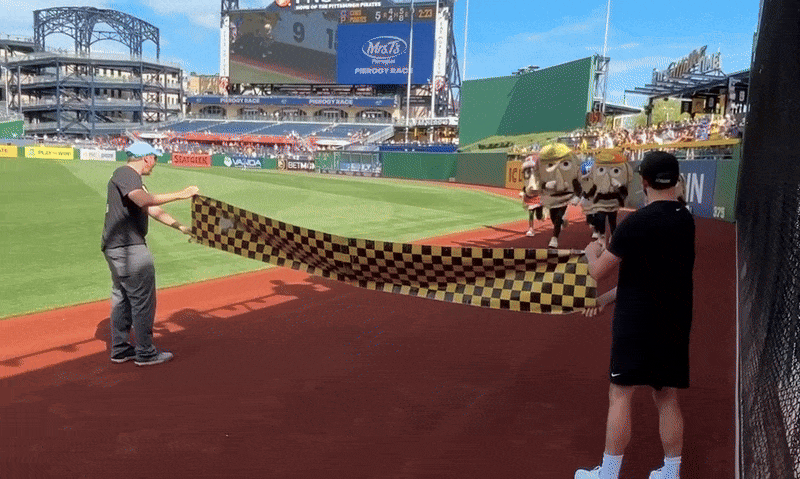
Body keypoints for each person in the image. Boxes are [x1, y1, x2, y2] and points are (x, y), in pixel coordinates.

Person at [575, 151, 695, 479]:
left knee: (621, 395)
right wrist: (606, 300)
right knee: (667, 396)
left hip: (636, 323)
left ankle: (609, 474)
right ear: (675, 179)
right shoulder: (686, 220)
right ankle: (670, 473)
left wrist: (590, 252)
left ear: (643, 181)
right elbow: (648, 277)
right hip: (673, 321)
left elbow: (597, 271)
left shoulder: (636, 222)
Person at [101, 142, 199, 366]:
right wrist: (181, 194)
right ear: (146, 158)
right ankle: (146, 352)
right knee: (141, 301)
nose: (155, 162)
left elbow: (152, 210)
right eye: (154, 157)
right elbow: (144, 201)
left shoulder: (129, 178)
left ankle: (121, 349)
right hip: (129, 248)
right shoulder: (127, 174)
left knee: (122, 299)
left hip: (118, 248)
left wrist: (181, 226)